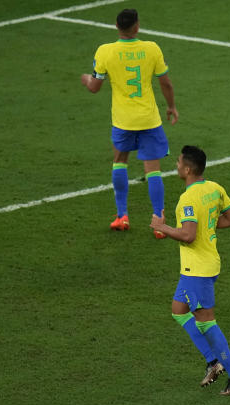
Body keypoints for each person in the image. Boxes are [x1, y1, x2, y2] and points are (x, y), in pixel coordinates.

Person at [150, 146, 230, 396]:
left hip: (198, 269)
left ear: (188, 169)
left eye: (179, 162)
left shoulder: (187, 200)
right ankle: (212, 361)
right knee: (179, 310)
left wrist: (163, 227)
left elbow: (188, 235)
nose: (176, 165)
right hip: (205, 264)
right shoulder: (215, 188)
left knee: (207, 322)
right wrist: (208, 227)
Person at [80, 8, 178, 236]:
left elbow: (95, 87)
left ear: (116, 25)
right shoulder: (151, 49)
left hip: (123, 121)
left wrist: (86, 79)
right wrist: (171, 106)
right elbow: (166, 83)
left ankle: (122, 216)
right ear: (137, 27)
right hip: (148, 119)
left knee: (120, 161)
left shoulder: (105, 51)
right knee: (153, 170)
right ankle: (159, 224)